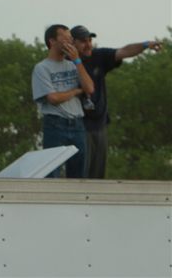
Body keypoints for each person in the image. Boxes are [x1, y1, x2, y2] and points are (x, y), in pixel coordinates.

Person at [70, 25, 163, 178]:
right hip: (77, 126)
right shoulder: (65, 62)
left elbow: (124, 51)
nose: (88, 45)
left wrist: (146, 44)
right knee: (80, 174)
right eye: (83, 41)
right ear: (72, 43)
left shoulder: (99, 56)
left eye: (90, 40)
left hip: (99, 125)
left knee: (97, 175)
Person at [31, 24, 95, 178]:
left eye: (70, 39)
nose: (70, 42)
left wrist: (77, 61)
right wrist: (75, 91)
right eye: (65, 38)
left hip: (77, 124)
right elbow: (53, 98)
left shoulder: (73, 65)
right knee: (52, 172)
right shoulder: (42, 68)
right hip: (55, 124)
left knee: (78, 175)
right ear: (52, 41)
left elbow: (89, 88)